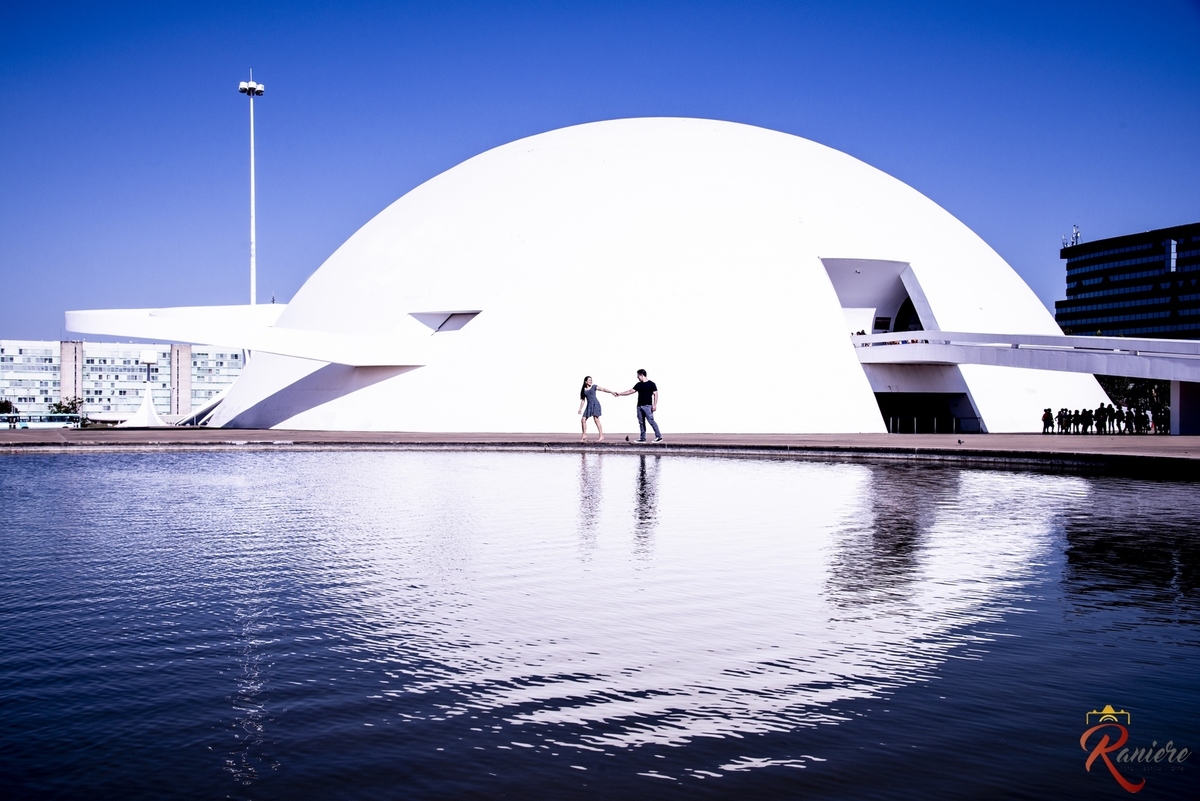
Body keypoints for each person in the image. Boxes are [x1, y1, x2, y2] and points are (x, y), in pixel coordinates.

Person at [615, 369, 662, 443]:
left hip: (647, 406)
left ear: (641, 375)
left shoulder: (652, 384)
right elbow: (630, 391)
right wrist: (620, 393)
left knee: (651, 421)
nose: (637, 377)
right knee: (641, 422)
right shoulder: (639, 384)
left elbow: (656, 394)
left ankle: (659, 437)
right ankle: (642, 438)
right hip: (639, 406)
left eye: (638, 375)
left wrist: (655, 405)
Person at [577, 376, 616, 442]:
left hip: (595, 404)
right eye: (589, 380)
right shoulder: (583, 390)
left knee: (596, 419)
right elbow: (583, 400)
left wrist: (611, 391)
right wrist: (580, 409)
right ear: (586, 382)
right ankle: (584, 435)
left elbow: (603, 389)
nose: (590, 381)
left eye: (591, 380)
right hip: (589, 405)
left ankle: (601, 436)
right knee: (583, 419)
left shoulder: (594, 387)